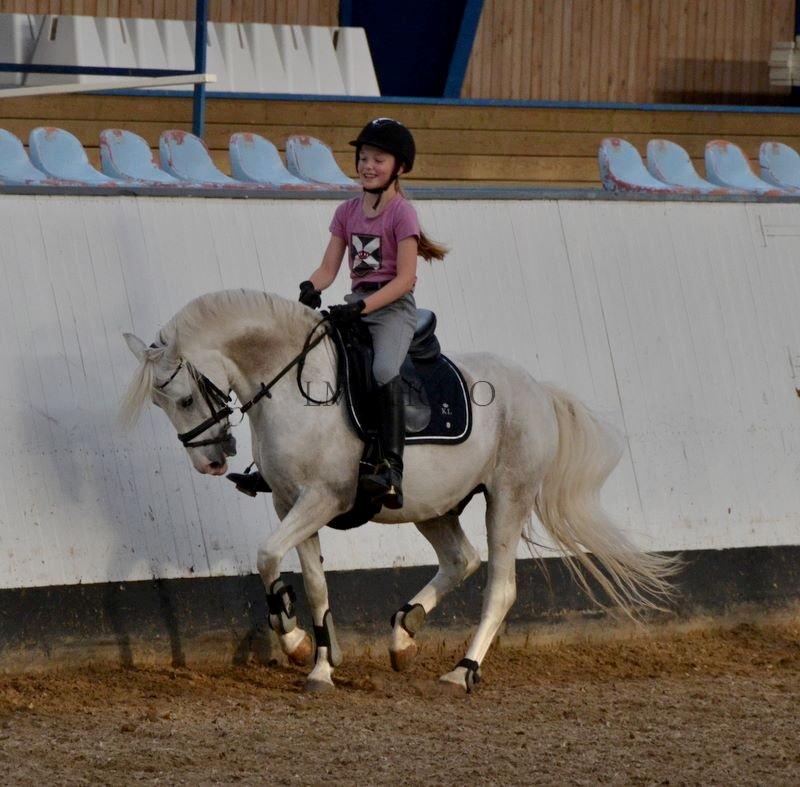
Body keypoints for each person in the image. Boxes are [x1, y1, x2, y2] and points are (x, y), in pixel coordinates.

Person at [229, 118, 446, 508]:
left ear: (399, 167)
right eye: (363, 158)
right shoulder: (347, 211)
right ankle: (276, 465)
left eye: (378, 159)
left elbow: (406, 279)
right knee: (306, 358)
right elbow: (329, 268)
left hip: (392, 310)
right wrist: (311, 288)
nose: (367, 165)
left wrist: (363, 306)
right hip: (354, 305)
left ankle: (391, 467)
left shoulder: (402, 215)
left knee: (382, 371)